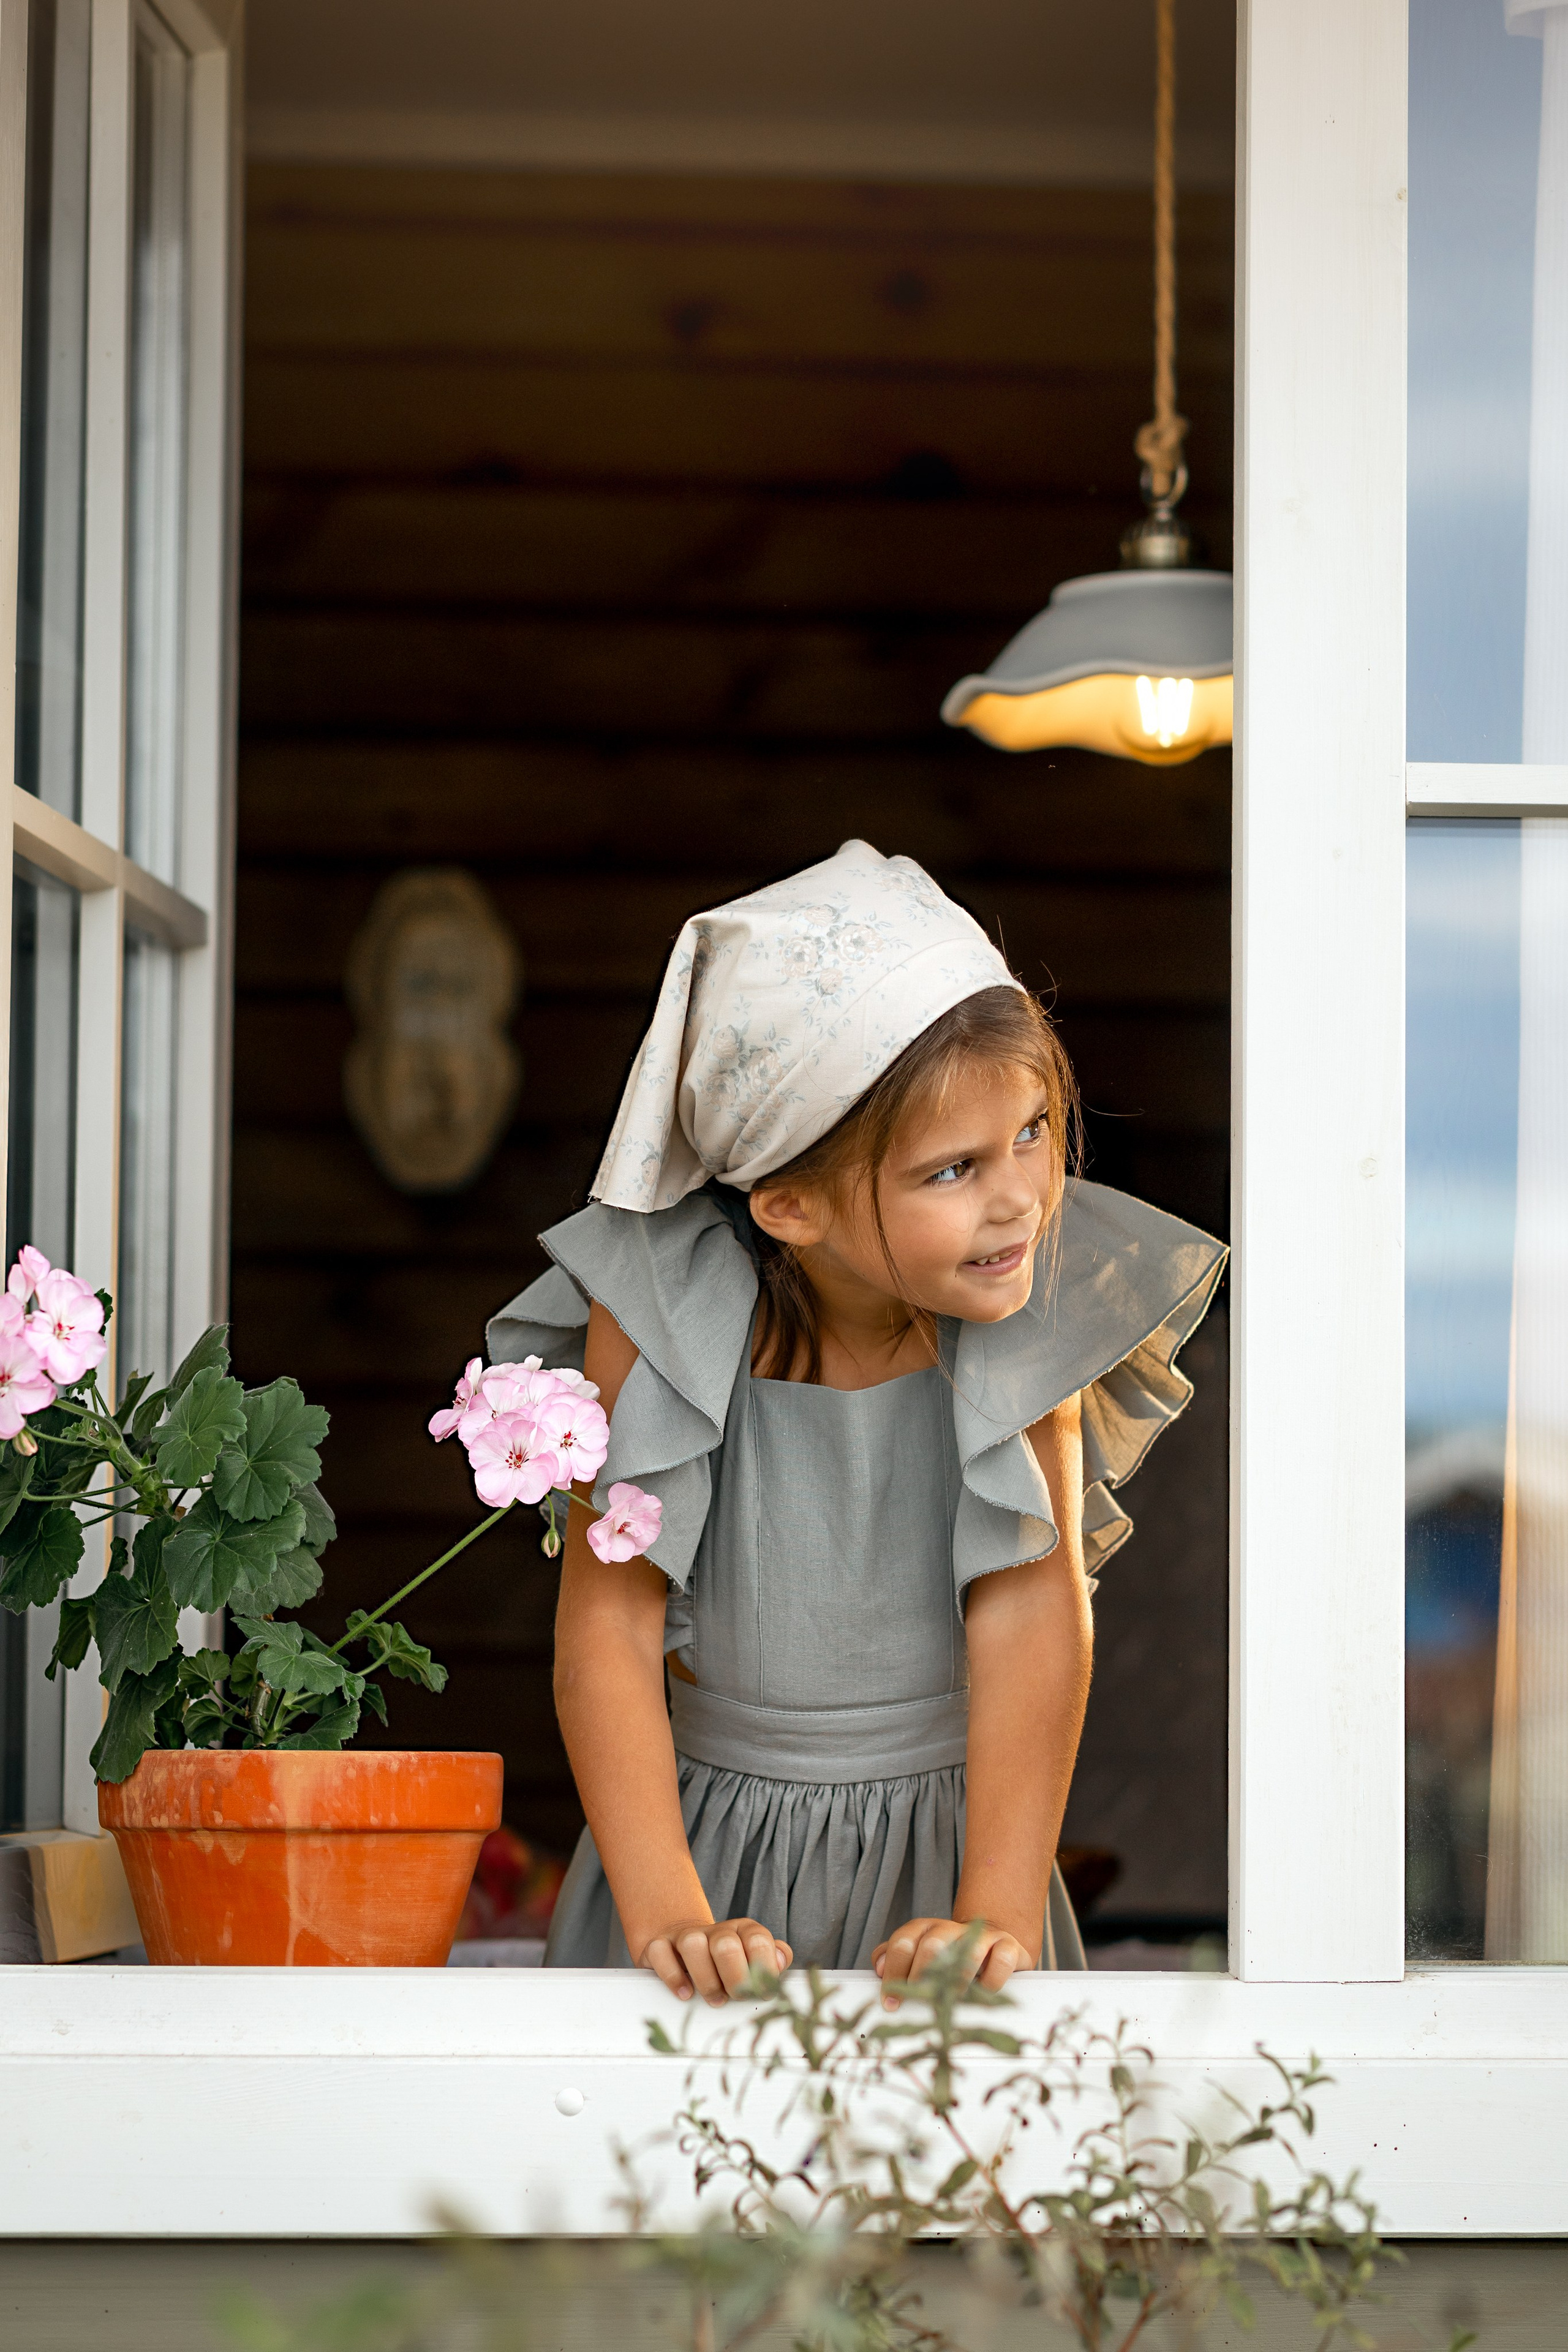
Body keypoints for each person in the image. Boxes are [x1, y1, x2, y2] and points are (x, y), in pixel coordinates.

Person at [486, 840, 1226, 2005]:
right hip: (697, 1863)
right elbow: (609, 1635)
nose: (1020, 1197)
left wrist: (994, 1909)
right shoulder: (659, 1310)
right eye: (953, 1169)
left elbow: (1036, 1614)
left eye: (1032, 1131)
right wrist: (671, 1914)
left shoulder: (1023, 1305)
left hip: (956, 1856)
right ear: (789, 1204)